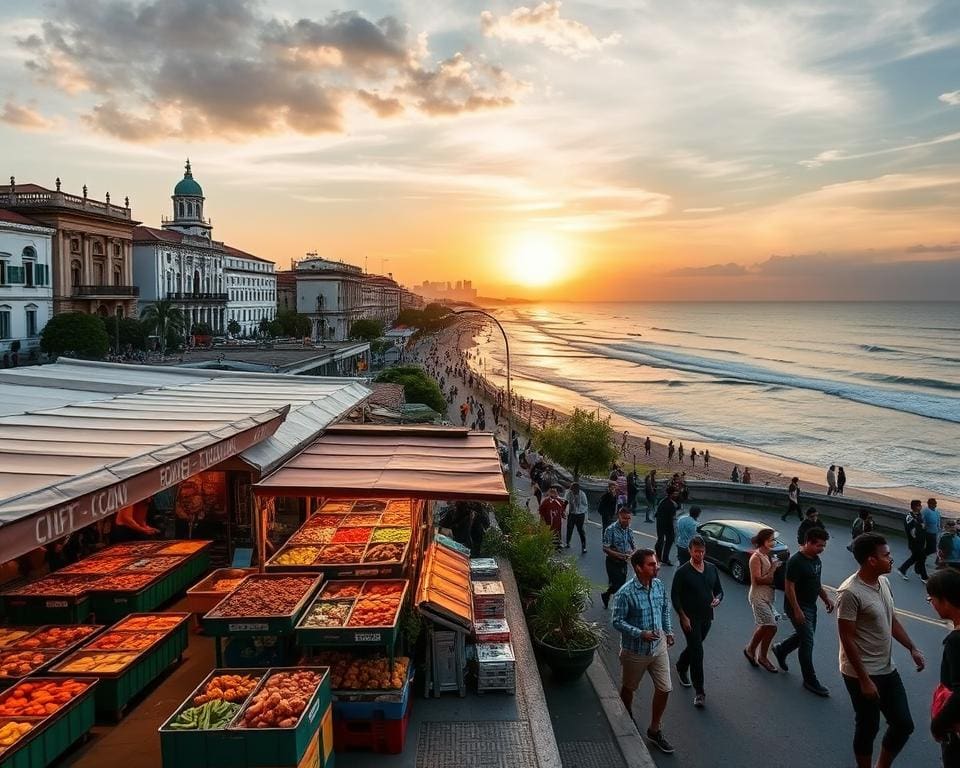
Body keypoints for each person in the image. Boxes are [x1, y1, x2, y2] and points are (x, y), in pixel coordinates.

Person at [837, 533, 923, 768]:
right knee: (868, 726)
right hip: (860, 673)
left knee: (903, 724)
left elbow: (891, 619)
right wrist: (864, 680)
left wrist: (912, 648)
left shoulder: (884, 582)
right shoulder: (850, 592)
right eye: (886, 555)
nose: (891, 559)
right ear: (871, 560)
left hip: (886, 667)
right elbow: (846, 637)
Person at [610, 549, 676, 755]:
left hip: (659, 647)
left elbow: (664, 609)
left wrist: (668, 631)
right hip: (635, 651)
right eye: (651, 564)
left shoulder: (658, 585)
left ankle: (654, 730)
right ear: (638, 568)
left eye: (656, 563)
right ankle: (626, 714)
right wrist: (640, 634)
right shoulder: (625, 593)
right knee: (629, 688)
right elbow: (617, 621)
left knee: (665, 688)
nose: (657, 567)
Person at [773, 527, 835, 697]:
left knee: (803, 637)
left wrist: (826, 599)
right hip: (798, 607)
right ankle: (810, 680)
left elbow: (817, 583)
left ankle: (781, 649)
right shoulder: (796, 561)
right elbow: (789, 587)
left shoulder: (816, 560)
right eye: (819, 545)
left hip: (811, 605)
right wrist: (797, 610)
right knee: (807, 642)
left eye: (823, 546)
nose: (822, 549)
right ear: (808, 542)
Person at [671, 535, 723, 708]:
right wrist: (683, 616)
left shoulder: (712, 569)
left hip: (706, 616)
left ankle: (681, 664)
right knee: (698, 652)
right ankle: (699, 692)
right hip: (689, 618)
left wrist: (718, 599)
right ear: (690, 551)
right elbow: (675, 596)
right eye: (696, 552)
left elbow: (719, 590)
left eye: (701, 551)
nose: (699, 555)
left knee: (695, 646)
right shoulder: (683, 572)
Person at [925, 568, 960, 766]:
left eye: (932, 599)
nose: (931, 604)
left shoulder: (956, 641)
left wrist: (938, 725)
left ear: (945, 600)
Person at [745, 528, 783, 672]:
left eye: (774, 539)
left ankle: (750, 649)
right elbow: (759, 580)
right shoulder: (756, 557)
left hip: (768, 596)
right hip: (758, 597)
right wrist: (773, 568)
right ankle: (762, 656)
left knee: (765, 626)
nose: (774, 542)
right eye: (771, 540)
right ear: (764, 541)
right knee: (771, 626)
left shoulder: (768, 555)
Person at [601, 507, 636, 609]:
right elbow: (605, 548)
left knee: (621, 584)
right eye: (624, 518)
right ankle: (621, 607)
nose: (627, 521)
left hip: (623, 562)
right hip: (612, 562)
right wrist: (620, 555)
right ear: (619, 517)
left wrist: (632, 553)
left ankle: (606, 594)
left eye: (629, 518)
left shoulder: (629, 530)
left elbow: (634, 546)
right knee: (619, 586)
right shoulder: (610, 530)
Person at [897, 500, 928, 582]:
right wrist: (917, 538)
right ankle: (924, 577)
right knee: (921, 558)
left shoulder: (919, 515)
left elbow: (922, 526)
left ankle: (902, 569)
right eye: (919, 505)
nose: (921, 507)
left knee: (915, 557)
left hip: (921, 542)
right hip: (914, 543)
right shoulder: (909, 518)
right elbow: (912, 531)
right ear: (915, 507)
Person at [655, 488, 681, 566]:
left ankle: (662, 557)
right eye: (675, 493)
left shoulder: (667, 501)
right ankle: (661, 557)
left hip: (663, 523)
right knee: (663, 540)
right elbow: (671, 516)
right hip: (665, 524)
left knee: (666, 540)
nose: (676, 495)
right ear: (671, 494)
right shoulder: (667, 503)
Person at [538, 485, 566, 550]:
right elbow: (541, 510)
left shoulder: (560, 501)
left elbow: (562, 510)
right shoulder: (546, 501)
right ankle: (547, 544)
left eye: (555, 492)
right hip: (548, 520)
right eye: (552, 492)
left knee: (557, 531)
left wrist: (563, 514)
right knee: (549, 532)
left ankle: (558, 543)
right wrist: (542, 520)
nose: (554, 494)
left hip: (557, 520)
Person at [563, 482, 588, 553]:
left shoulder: (582, 494)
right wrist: (563, 510)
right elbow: (565, 502)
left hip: (580, 514)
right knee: (569, 528)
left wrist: (581, 511)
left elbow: (585, 505)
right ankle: (567, 543)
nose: (573, 492)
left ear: (578, 490)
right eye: (572, 490)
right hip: (572, 514)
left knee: (581, 530)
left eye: (574, 490)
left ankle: (584, 547)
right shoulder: (569, 493)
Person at [924, 498, 944, 574]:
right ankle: (920, 557)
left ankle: (921, 557)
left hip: (935, 532)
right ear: (929, 504)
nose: (935, 505)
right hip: (928, 533)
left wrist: (940, 528)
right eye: (934, 504)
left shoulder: (937, 511)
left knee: (930, 548)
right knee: (932, 549)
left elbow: (939, 521)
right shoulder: (925, 511)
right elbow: (922, 521)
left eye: (935, 503)